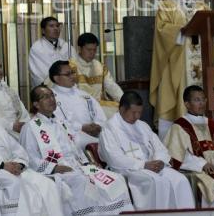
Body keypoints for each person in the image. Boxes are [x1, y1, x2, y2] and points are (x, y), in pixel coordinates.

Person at [20, 84, 133, 216]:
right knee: (84, 183)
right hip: (58, 171)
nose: (51, 99)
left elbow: (75, 147)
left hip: (78, 166)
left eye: (52, 95)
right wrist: (54, 167)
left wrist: (88, 162)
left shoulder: (61, 123)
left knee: (117, 179)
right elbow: (29, 158)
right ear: (36, 104)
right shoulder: (31, 127)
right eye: (45, 97)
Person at [98, 91, 195, 211]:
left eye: (140, 112)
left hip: (151, 166)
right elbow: (114, 158)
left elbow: (159, 147)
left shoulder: (142, 125)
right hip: (129, 169)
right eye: (134, 112)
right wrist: (143, 165)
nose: (137, 116)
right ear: (122, 109)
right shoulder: (109, 128)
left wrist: (159, 161)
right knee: (158, 183)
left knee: (180, 180)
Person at [149, 0, 209, 140]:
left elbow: (210, 33)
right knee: (172, 103)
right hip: (175, 65)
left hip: (199, 64)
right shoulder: (166, 6)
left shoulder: (203, 8)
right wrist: (183, 29)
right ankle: (171, 147)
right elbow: (162, 31)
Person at [164, 85, 214, 208]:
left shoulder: (212, 124)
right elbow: (177, 155)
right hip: (199, 170)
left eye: (203, 99)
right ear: (187, 104)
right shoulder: (179, 126)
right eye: (197, 100)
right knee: (211, 184)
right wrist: (201, 164)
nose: (202, 103)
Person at [50, 60, 107, 149]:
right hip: (72, 137)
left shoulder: (84, 95)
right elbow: (56, 123)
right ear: (56, 78)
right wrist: (82, 127)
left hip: (95, 134)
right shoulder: (51, 98)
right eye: (67, 74)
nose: (72, 76)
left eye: (73, 73)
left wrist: (98, 126)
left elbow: (101, 116)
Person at [74, 32, 123, 117]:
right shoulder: (71, 66)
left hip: (99, 104)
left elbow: (112, 86)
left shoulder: (100, 67)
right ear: (80, 48)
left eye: (94, 50)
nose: (92, 53)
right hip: (79, 106)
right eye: (89, 50)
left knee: (121, 111)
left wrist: (124, 101)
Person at [29, 16, 78, 87]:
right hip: (48, 90)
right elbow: (39, 74)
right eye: (51, 26)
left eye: (57, 26)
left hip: (69, 87)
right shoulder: (37, 48)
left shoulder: (67, 46)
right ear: (43, 30)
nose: (56, 29)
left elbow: (74, 68)